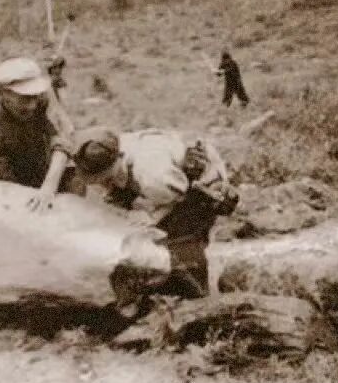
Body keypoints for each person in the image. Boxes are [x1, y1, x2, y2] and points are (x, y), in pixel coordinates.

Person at [69, 126, 237, 301]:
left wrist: (150, 217)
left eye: (103, 177)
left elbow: (178, 195)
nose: (98, 183)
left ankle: (200, 294)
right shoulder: (108, 149)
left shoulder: (152, 176)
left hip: (197, 185)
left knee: (179, 242)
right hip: (164, 177)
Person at [0, 57, 76, 192]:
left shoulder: (42, 94)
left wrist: (49, 186)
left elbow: (63, 138)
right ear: (2, 93)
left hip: (54, 167)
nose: (33, 105)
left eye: (35, 96)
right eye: (24, 98)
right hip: (20, 181)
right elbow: (6, 185)